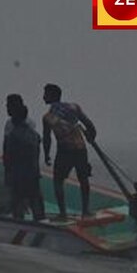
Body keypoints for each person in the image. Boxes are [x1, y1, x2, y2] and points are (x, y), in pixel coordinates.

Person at [41, 83, 96, 220]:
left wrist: (47, 155)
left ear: (52, 95)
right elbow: (89, 124)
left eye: (45, 94)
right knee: (83, 179)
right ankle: (85, 211)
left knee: (58, 180)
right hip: (81, 148)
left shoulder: (47, 117)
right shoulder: (74, 107)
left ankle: (63, 214)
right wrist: (91, 136)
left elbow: (47, 139)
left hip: (65, 150)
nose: (43, 97)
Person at [3, 94, 46, 221]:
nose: (6, 108)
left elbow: (8, 155)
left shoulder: (13, 134)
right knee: (36, 203)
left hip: (19, 175)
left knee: (18, 204)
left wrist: (8, 174)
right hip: (33, 173)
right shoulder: (34, 134)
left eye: (8, 106)